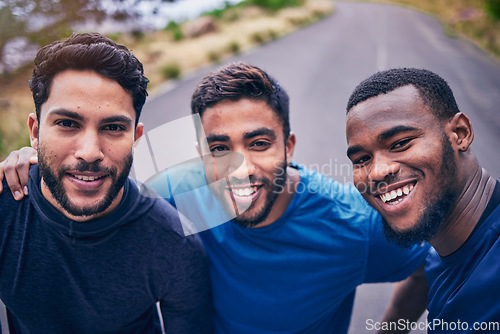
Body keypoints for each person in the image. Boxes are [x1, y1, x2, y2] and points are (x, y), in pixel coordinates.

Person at [1, 62, 429, 334]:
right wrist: (34, 163)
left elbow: (428, 265)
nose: (239, 169)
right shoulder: (171, 195)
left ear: (289, 147)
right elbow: (96, 192)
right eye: (220, 148)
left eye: (259, 143)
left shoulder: (353, 227)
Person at [0, 33, 211, 333]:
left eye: (113, 127)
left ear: (135, 139)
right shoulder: (4, 212)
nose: (89, 152)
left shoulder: (173, 243)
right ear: (34, 132)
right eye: (67, 123)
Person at [345, 68, 500, 332]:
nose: (377, 172)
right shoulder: (443, 247)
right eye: (362, 159)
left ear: (460, 134)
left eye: (401, 143)